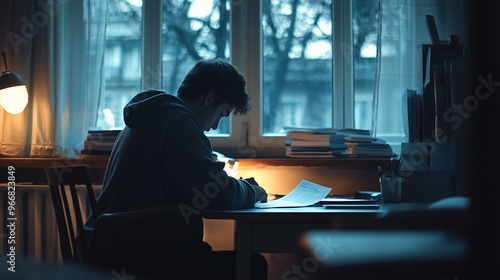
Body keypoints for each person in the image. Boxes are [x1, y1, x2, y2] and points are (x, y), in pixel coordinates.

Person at [85, 59, 268, 280]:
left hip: (112, 244)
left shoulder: (152, 115)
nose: (215, 127)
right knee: (253, 265)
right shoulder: (177, 123)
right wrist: (252, 191)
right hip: (140, 257)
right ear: (209, 99)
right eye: (222, 114)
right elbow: (218, 194)